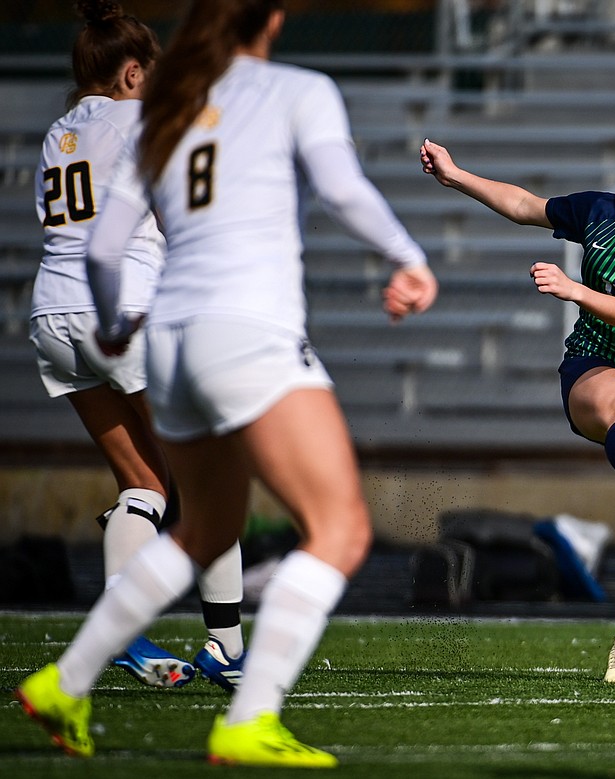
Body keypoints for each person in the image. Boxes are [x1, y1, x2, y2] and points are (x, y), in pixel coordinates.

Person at [15, 0, 437, 767]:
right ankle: (249, 709)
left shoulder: (165, 111)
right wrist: (408, 256)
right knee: (339, 528)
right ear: (273, 18)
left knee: (201, 522)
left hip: (152, 328)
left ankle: (65, 681)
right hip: (244, 326)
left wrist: (111, 323)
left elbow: (105, 244)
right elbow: (343, 191)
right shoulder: (291, 90)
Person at [421, 134, 615, 684]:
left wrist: (572, 289)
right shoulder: (602, 213)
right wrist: (456, 175)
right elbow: (525, 206)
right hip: (594, 365)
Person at [30, 0, 246, 693]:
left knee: (147, 484)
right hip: (122, 307)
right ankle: (226, 645)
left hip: (53, 312)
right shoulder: (146, 118)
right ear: (131, 74)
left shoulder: (59, 132)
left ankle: (122, 634)